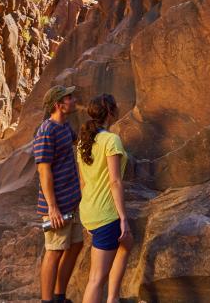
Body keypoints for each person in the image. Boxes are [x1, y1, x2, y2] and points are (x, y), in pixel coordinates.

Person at [76, 94, 132, 303]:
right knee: (96, 278)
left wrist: (87, 213)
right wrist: (123, 218)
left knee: (127, 243)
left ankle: (113, 298)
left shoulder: (84, 142)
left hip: (90, 210)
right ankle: (111, 298)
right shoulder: (111, 140)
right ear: (110, 112)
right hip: (106, 214)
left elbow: (82, 182)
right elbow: (115, 182)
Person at [34, 85, 84, 303]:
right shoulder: (46, 131)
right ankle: (47, 301)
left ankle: (59, 296)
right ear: (59, 105)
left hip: (73, 201)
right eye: (69, 98)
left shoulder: (65, 127)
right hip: (57, 205)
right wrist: (52, 207)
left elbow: (78, 143)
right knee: (53, 251)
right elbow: (43, 171)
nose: (73, 100)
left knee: (75, 245)